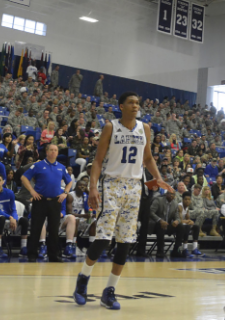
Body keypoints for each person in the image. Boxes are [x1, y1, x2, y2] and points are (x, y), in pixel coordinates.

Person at [73, 92, 172, 310]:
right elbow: (98, 160)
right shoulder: (111, 126)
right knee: (104, 238)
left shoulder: (145, 128)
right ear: (121, 106)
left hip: (135, 187)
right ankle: (83, 280)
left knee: (125, 241)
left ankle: (109, 291)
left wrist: (159, 179)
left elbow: (147, 158)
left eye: (138, 102)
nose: (136, 105)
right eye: (131, 102)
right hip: (112, 184)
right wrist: (93, 187)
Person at [21, 142, 72, 262]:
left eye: (56, 150)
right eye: (51, 150)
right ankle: (32, 255)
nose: (54, 152)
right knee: (36, 228)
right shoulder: (38, 165)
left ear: (58, 153)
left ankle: (53, 255)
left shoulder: (61, 167)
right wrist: (32, 191)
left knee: (54, 229)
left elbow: (69, 181)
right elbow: (24, 177)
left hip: (55, 202)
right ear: (47, 152)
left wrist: (65, 192)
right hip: (40, 201)